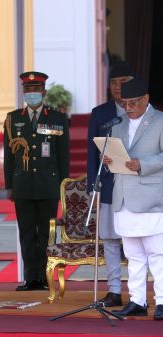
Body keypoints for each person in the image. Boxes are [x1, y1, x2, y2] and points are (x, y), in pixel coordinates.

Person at [103, 79, 163, 321]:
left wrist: (143, 164)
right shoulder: (117, 127)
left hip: (151, 198)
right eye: (124, 103)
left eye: (133, 103)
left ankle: (162, 302)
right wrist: (108, 162)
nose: (128, 108)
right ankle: (137, 300)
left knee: (157, 254)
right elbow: (115, 159)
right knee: (134, 255)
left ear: (146, 99)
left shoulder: (160, 121)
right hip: (124, 198)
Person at [3, 71, 69, 291]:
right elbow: (8, 157)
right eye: (28, 90)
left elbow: (62, 155)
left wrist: (63, 186)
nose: (32, 94)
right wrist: (9, 185)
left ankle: (45, 276)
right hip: (22, 185)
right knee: (27, 233)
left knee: (46, 234)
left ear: (44, 92)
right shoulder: (13, 118)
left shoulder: (57, 119)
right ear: (24, 92)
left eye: (36, 90)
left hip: (48, 185)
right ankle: (31, 278)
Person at [86, 61, 134, 307]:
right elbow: (91, 153)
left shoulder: (142, 112)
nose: (117, 87)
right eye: (114, 83)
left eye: (123, 82)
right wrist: (91, 184)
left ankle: (138, 293)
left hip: (136, 187)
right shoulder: (101, 113)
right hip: (108, 185)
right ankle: (114, 290)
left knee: (136, 241)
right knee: (111, 240)